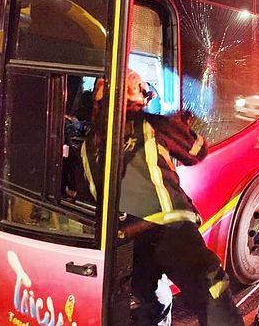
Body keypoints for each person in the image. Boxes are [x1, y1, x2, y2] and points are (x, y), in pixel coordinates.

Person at [82, 70, 243, 326]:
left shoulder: (87, 144)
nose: (148, 96)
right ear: (126, 95)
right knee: (212, 290)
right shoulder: (149, 123)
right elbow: (196, 151)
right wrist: (182, 123)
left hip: (127, 242)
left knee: (153, 301)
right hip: (169, 229)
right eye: (142, 89)